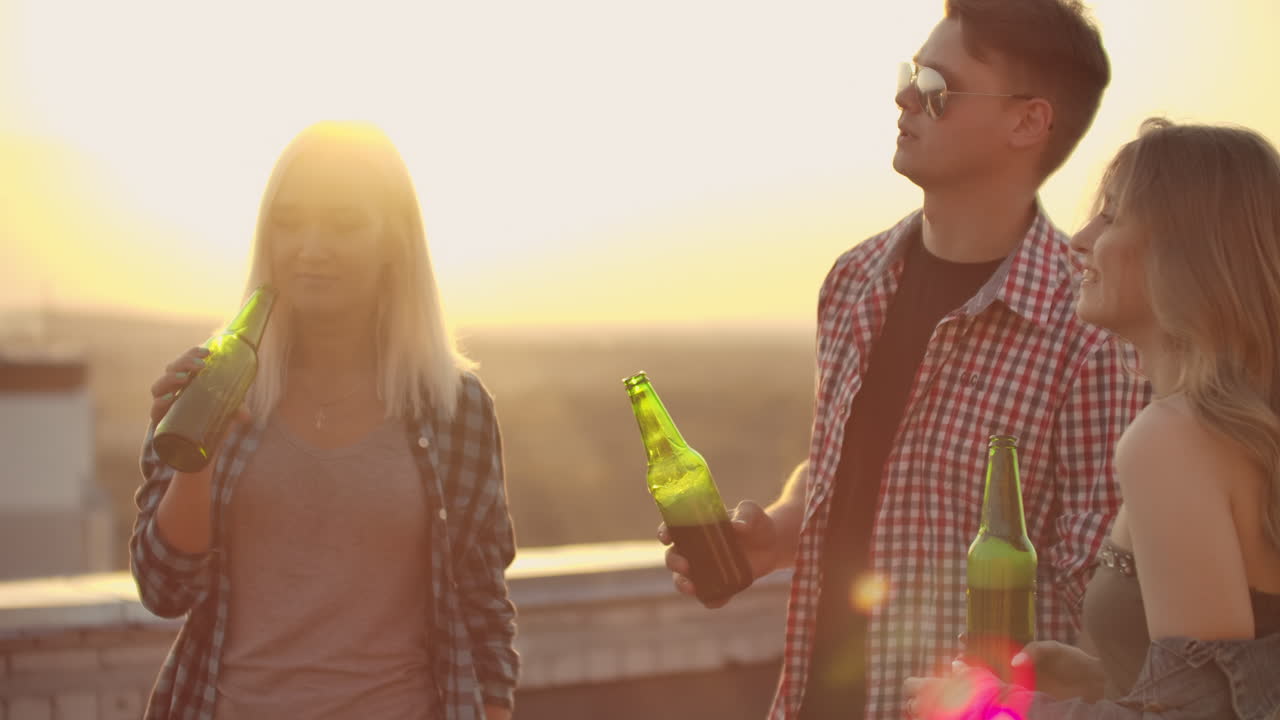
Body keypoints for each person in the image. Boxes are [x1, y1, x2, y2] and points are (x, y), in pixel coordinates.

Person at [659, 2, 1150, 719]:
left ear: (1027, 122)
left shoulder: (1089, 327)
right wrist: (780, 533)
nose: (905, 98)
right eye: (909, 76)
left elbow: (1101, 605)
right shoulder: (854, 280)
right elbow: (850, 462)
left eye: (937, 87)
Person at [129, 121, 519, 720]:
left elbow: (482, 605)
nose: (310, 248)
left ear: (395, 241)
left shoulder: (453, 406)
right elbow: (164, 589)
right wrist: (194, 457)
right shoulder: (214, 383)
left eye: (344, 223)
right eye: (288, 222)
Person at [903, 119, 1280, 719]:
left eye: (1112, 216)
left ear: (1187, 251)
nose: (1079, 240)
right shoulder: (1232, 432)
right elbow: (1244, 685)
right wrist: (1101, 679)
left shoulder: (1172, 439)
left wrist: (989, 709)